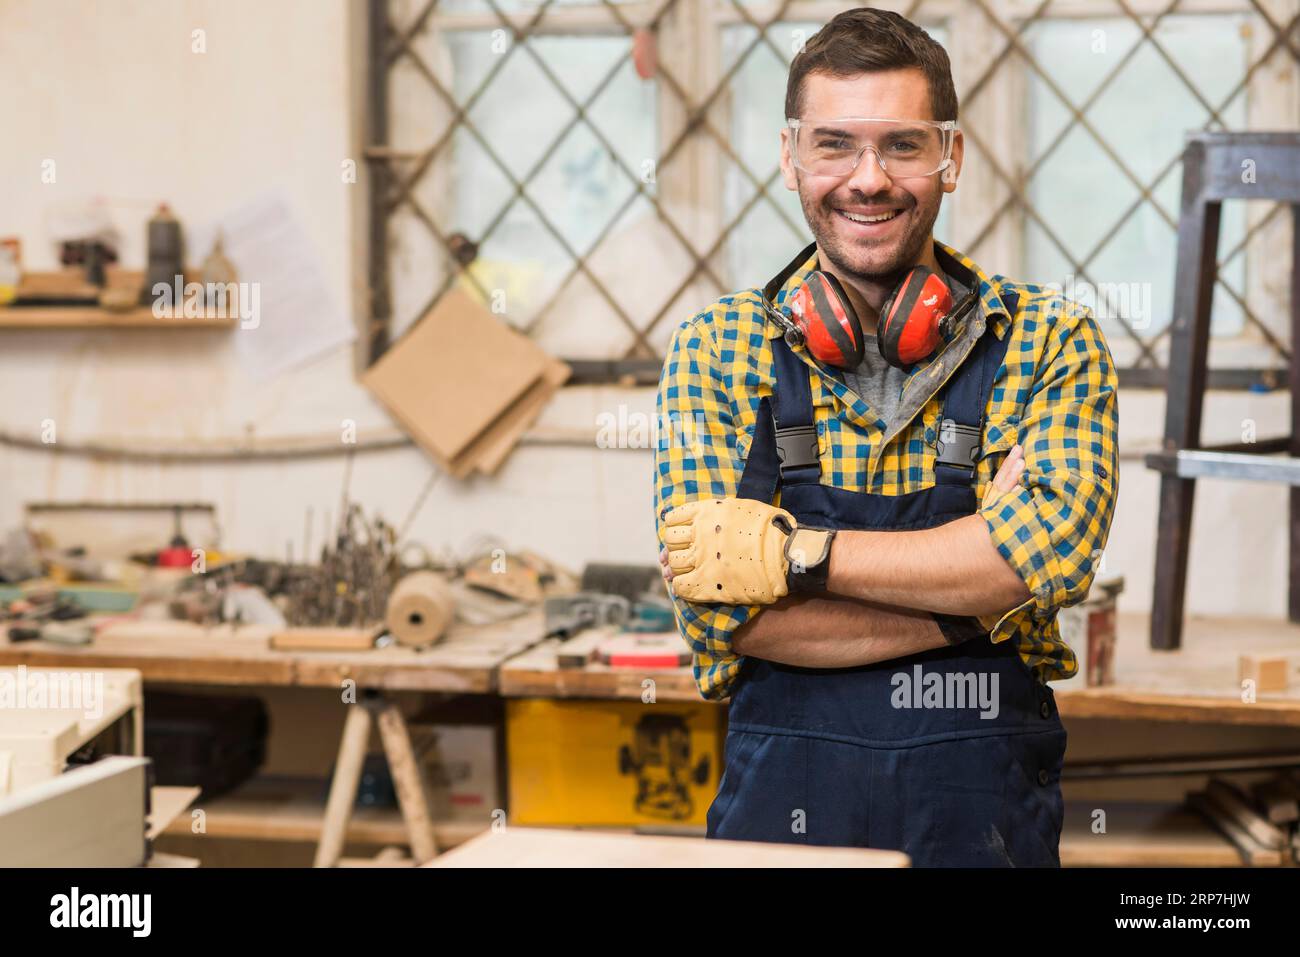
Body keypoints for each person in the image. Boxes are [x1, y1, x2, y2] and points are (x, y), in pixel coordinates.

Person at [652, 6, 1118, 866]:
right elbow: (721, 614)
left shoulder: (1049, 339)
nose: (868, 178)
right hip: (778, 834)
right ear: (790, 156)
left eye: (901, 144)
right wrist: (979, 605)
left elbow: (1046, 558)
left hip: (982, 832)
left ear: (952, 155)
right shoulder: (718, 349)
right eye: (834, 144)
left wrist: (798, 558)